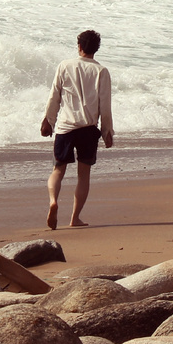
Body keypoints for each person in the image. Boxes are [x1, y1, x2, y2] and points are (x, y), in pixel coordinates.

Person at [40, 28, 114, 229]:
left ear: (79, 46)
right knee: (84, 174)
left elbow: (54, 96)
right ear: (96, 49)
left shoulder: (65, 66)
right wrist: (107, 131)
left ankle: (53, 201)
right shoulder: (101, 71)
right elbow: (104, 105)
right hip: (88, 128)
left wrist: (49, 120)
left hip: (65, 126)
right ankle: (74, 218)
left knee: (58, 170)